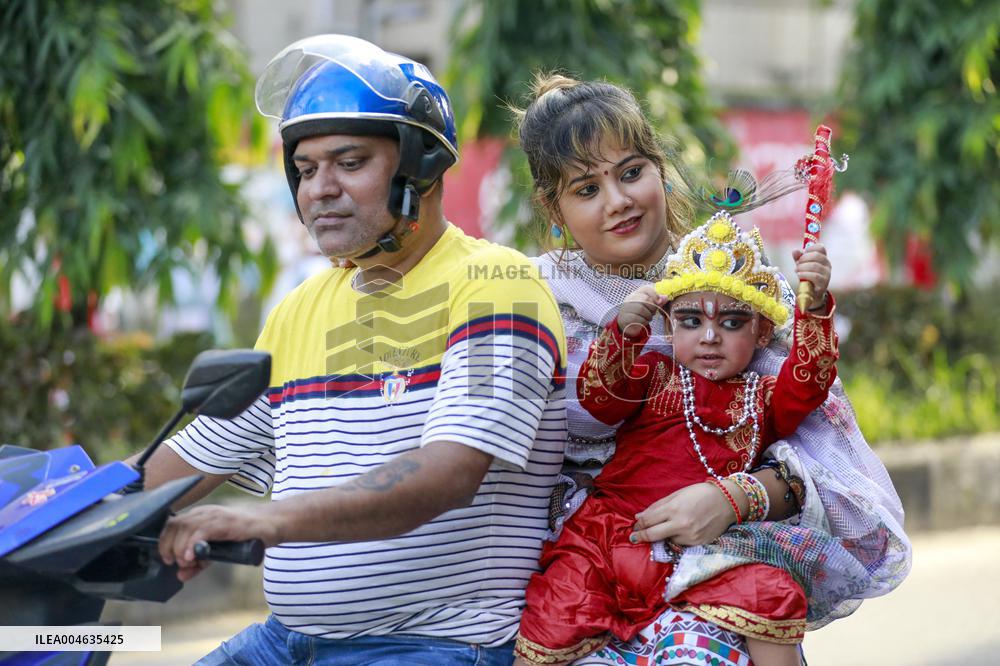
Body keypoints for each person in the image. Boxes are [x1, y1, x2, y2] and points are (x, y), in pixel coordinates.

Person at [143, 35, 567, 665]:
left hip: (433, 643)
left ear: (419, 165)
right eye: (306, 169)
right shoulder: (300, 309)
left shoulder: (496, 286)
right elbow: (175, 470)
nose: (320, 189)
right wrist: (49, 508)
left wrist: (261, 520)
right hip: (285, 641)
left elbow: (448, 474)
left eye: (348, 161)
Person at [514, 75, 911, 665]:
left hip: (714, 580)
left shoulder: (736, 282)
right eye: (586, 187)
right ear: (554, 207)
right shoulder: (528, 301)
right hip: (578, 579)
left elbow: (829, 458)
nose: (618, 200)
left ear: (659, 169)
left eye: (630, 172)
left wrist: (736, 497)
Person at [516, 211, 837, 666]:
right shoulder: (655, 374)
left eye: (730, 323)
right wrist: (624, 337)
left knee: (774, 595)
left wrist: (816, 306)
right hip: (613, 541)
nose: (709, 338)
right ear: (668, 326)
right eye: (690, 322)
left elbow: (808, 382)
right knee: (551, 619)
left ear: (762, 331)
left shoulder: (764, 397)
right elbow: (599, 400)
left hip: (705, 553)